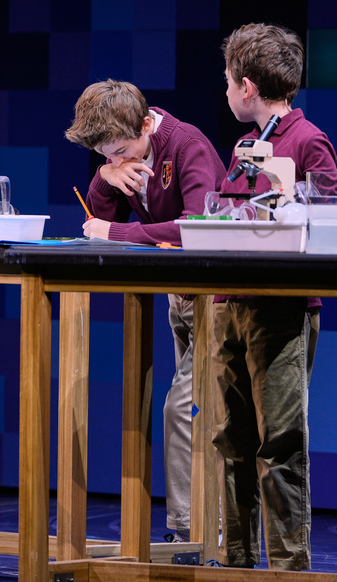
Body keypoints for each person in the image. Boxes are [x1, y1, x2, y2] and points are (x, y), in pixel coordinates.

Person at [64, 79, 226, 543]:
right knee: (196, 413)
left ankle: (190, 530)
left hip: (218, 297)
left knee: (186, 407)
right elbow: (101, 215)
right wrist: (104, 179)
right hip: (180, 297)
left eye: (118, 151)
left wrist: (115, 234)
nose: (115, 160)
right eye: (104, 155)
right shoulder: (120, 160)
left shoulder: (187, 145)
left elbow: (198, 227)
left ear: (145, 125)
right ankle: (203, 525)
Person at [212, 23, 336, 570]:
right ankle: (237, 562)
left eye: (227, 80)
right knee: (231, 440)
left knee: (279, 443)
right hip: (229, 305)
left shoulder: (307, 141)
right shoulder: (244, 145)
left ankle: (289, 569)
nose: (226, 89)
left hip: (280, 310)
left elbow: (333, 220)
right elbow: (223, 214)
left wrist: (291, 200)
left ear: (246, 86)